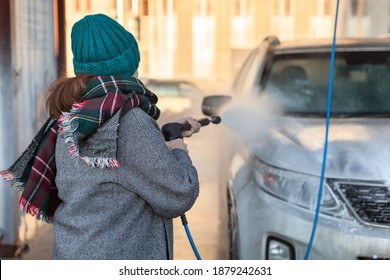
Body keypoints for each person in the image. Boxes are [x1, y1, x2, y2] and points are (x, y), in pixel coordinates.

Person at [0, 14, 201, 260]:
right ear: (127, 64)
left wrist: (160, 139)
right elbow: (178, 194)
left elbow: (116, 166)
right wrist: (178, 150)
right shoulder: (129, 120)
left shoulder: (74, 115)